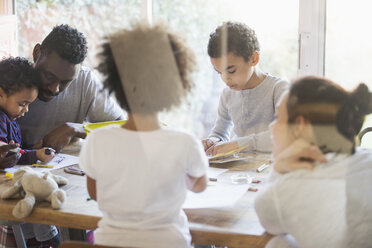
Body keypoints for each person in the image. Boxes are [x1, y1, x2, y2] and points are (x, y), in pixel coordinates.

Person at [79, 23, 208, 248]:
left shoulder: (97, 140)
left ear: (116, 84)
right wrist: (182, 178)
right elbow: (200, 185)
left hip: (110, 242)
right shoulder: (184, 142)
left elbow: (97, 193)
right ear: (174, 86)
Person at [254, 76, 372, 248]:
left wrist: (279, 168)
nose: (272, 127)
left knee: (277, 243)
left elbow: (267, 218)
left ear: (300, 126)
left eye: (278, 117)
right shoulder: (365, 158)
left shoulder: (290, 188)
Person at [18, 24, 125, 153]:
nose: (54, 89)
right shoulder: (10, 80)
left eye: (66, 82)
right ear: (37, 53)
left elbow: (125, 128)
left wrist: (75, 129)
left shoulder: (85, 80)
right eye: (49, 76)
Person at [202, 22, 288, 156]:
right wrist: (212, 142)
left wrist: (237, 144)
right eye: (219, 72)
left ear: (254, 59)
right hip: (239, 173)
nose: (225, 79)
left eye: (231, 71)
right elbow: (220, 132)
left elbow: (284, 134)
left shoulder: (279, 89)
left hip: (272, 170)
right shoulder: (227, 94)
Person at [0, 57, 55, 168]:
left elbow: (16, 148)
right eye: (22, 104)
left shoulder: (10, 118)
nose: (26, 110)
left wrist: (32, 147)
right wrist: (36, 155)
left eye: (29, 104)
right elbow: (6, 152)